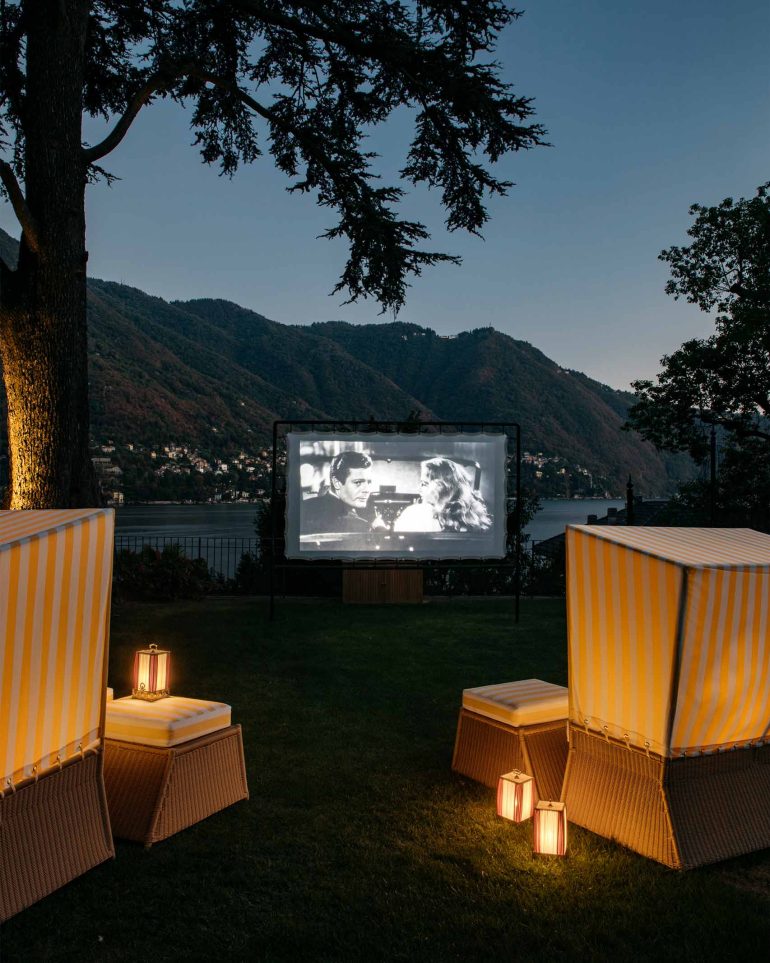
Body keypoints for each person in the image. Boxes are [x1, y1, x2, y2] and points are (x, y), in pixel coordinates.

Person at [394, 457, 492, 533]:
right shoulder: (473, 518)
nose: (419, 489)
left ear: (441, 487)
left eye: (424, 484)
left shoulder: (416, 514)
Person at [302, 450, 375, 533]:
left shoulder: (303, 507)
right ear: (336, 483)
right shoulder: (359, 525)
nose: (367, 490)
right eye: (358, 482)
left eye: (369, 482)